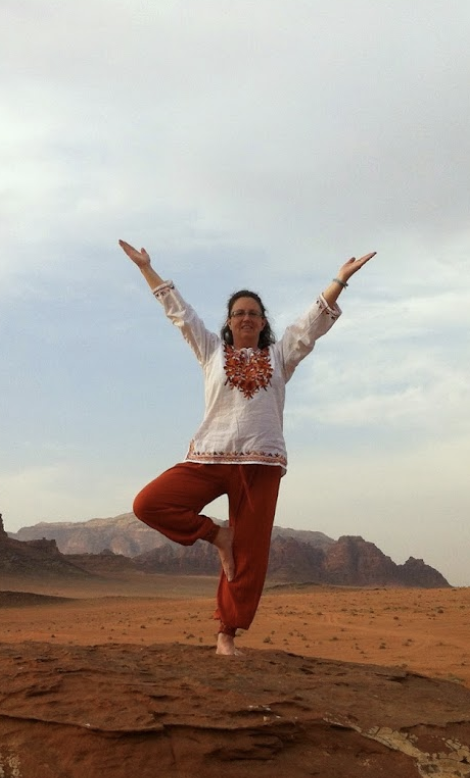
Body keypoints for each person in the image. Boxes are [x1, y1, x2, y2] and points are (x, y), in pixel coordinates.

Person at [119, 239, 376, 656]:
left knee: (251, 553)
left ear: (262, 322)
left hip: (262, 461)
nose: (246, 318)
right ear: (228, 321)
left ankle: (226, 636)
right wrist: (148, 269)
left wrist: (339, 280)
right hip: (209, 456)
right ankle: (217, 536)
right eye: (238, 313)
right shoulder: (211, 351)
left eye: (253, 314)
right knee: (149, 503)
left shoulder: (280, 355)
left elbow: (312, 323)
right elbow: (179, 315)